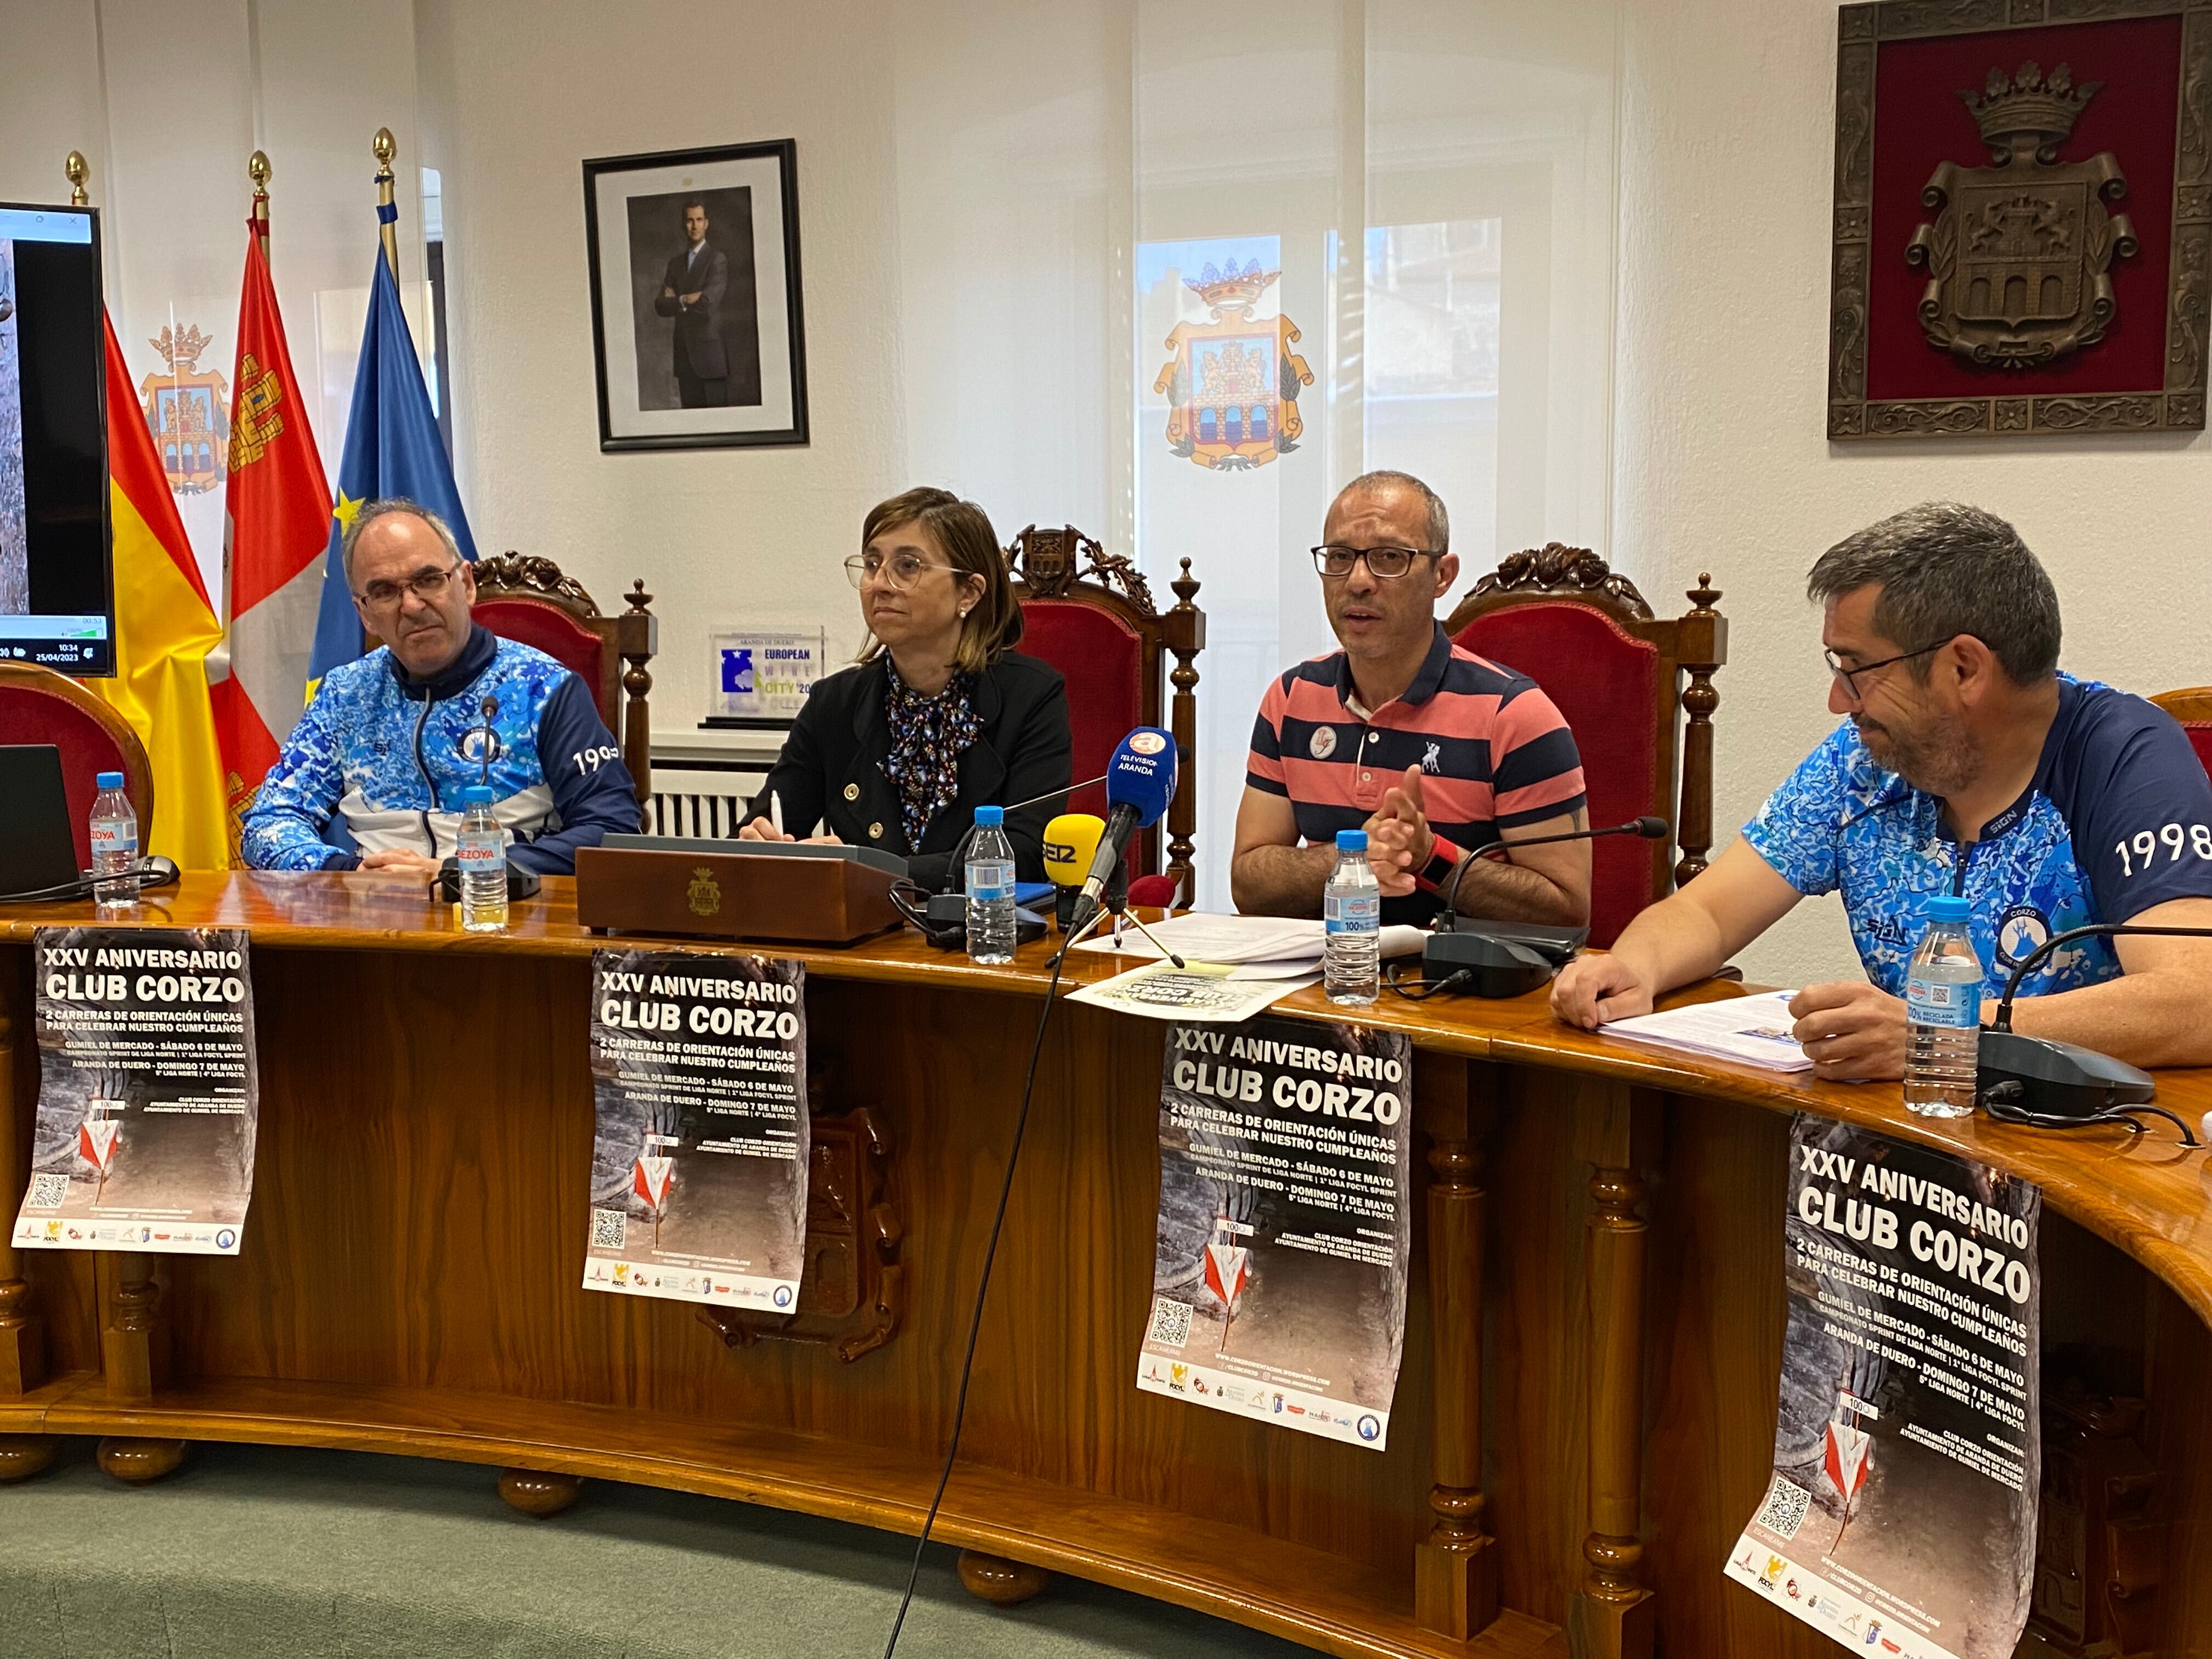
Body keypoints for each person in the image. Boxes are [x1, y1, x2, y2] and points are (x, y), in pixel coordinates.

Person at [1553, 501, 2212, 1076]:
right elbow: (1708, 913)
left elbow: (2197, 998)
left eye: (1858, 669)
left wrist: (1948, 1036)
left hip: (2080, 1155)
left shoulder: (2124, 757)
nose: (1840, 701)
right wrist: (1634, 966)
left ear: (1963, 667)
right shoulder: (1862, 761)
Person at [1232, 470, 1592, 927]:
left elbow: (1569, 911)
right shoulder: (1291, 699)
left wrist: (1428, 859)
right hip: (1327, 976)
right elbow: (1248, 886)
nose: (1358, 580)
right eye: (1340, 556)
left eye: (1388, 557)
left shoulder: (1515, 715)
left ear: (1442, 576)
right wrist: (1353, 857)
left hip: (1468, 987)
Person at [240, 498, 640, 876]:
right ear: (364, 614)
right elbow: (269, 824)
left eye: (428, 580)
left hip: (504, 912)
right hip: (373, 919)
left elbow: (612, 830)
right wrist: (350, 874)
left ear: (466, 584)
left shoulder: (544, 687)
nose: (411, 606)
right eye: (384, 592)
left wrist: (465, 871)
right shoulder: (346, 694)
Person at [738, 487, 1071, 888]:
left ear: (969, 592)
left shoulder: (1031, 696)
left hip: (981, 934)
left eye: (908, 566)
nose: (879, 583)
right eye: (872, 564)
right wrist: (757, 844)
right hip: (862, 938)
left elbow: (1028, 852)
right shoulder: (834, 703)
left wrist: (870, 873)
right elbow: (768, 825)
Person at [653, 200, 728, 408]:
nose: (695, 226)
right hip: (685, 359)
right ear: (683, 225)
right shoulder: (675, 264)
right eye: (689, 221)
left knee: (717, 428)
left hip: (709, 360)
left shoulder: (717, 260)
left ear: (706, 223)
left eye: (699, 220)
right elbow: (660, 306)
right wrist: (685, 299)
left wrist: (675, 301)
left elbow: (706, 307)